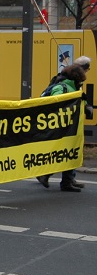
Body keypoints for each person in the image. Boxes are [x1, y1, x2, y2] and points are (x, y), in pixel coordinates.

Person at [36, 64, 89, 192]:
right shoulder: (62, 87)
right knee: (62, 153)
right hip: (61, 127)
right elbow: (55, 104)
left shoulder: (72, 87)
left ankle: (67, 180)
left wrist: (85, 104)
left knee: (70, 152)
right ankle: (47, 175)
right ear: (75, 78)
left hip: (69, 127)